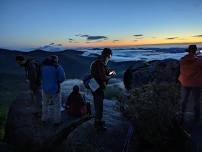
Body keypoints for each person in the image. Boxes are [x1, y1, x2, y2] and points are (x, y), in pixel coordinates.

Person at [90, 48, 116, 131]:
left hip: (95, 86)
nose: (110, 58)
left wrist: (110, 72)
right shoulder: (100, 63)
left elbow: (103, 73)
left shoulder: (98, 62)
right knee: (99, 106)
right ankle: (98, 125)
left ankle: (99, 121)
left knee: (98, 104)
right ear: (108, 55)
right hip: (98, 88)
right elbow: (103, 77)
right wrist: (111, 76)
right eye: (110, 56)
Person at [178, 45, 202, 123]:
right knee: (196, 101)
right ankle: (197, 118)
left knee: (184, 100)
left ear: (188, 51)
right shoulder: (199, 61)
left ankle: (181, 116)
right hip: (196, 83)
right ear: (195, 51)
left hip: (185, 82)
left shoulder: (182, 60)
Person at [41, 55, 66, 125]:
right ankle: (57, 121)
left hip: (45, 88)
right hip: (55, 89)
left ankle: (44, 119)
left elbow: (41, 76)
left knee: (45, 104)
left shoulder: (43, 67)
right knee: (57, 105)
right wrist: (57, 81)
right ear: (55, 60)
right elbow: (62, 78)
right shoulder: (57, 67)